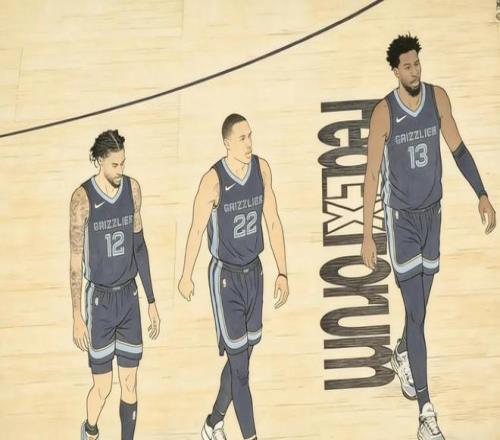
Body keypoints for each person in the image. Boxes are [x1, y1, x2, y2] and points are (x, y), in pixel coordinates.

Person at [361, 34, 496, 440]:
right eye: (407, 66)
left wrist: (482, 194)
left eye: (417, 63)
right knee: (418, 316)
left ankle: (403, 350)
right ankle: (426, 412)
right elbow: (371, 174)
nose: (415, 71)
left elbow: (459, 150)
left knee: (419, 307)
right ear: (395, 71)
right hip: (401, 221)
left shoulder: (438, 99)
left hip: (432, 216)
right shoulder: (384, 113)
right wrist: (367, 233)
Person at [178, 114, 289, 440]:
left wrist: (283, 271)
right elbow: (196, 229)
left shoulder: (262, 169)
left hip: (255, 272)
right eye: (242, 138)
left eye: (250, 136)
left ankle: (213, 423)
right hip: (225, 278)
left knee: (243, 359)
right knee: (240, 371)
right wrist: (186, 274)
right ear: (227, 143)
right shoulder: (212, 181)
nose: (249, 143)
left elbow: (273, 221)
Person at [70, 129, 161, 440]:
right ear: (99, 161)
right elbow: (75, 262)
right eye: (114, 165)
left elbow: (139, 245)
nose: (120, 170)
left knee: (131, 382)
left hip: (128, 297)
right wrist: (77, 316)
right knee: (103, 387)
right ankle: (90, 431)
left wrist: (151, 300)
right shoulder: (82, 199)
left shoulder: (132, 190)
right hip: (100, 301)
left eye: (123, 163)